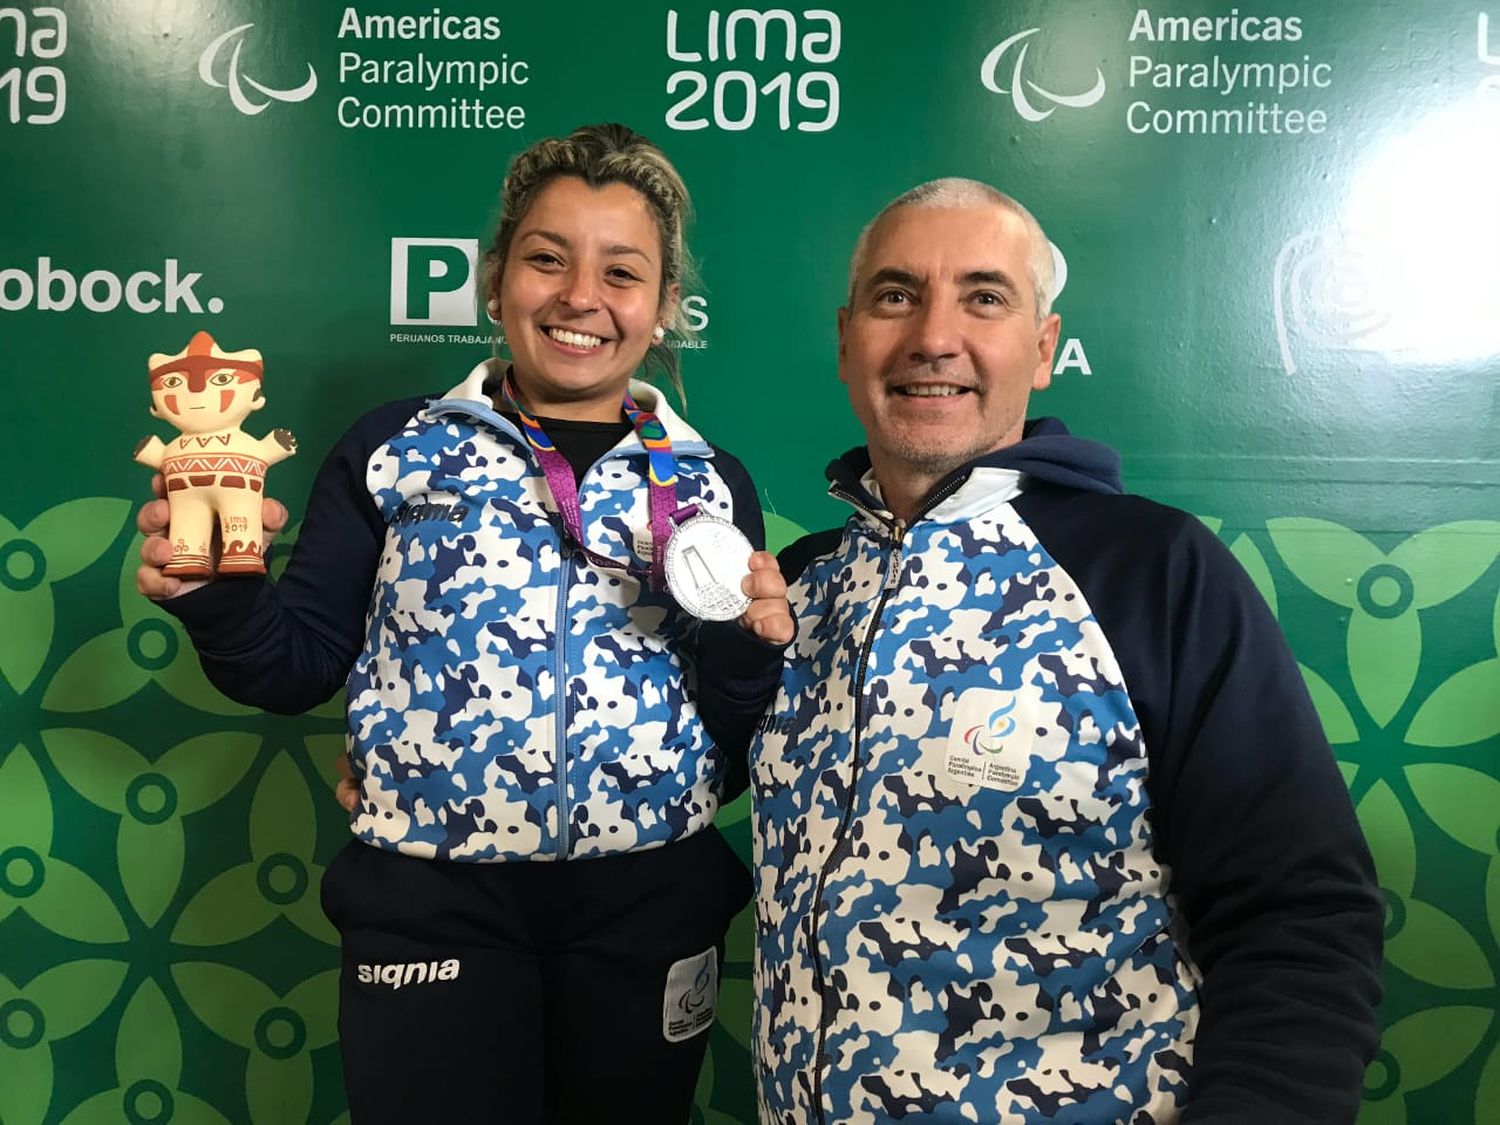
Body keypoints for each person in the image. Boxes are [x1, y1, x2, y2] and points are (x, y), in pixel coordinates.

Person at [136, 123, 791, 1124]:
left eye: (622, 273)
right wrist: (216, 596)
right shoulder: (394, 449)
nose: (581, 297)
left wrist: (752, 654)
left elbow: (730, 736)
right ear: (496, 281)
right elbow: (295, 666)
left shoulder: (707, 481)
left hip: (650, 908)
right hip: (428, 903)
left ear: (663, 309)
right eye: (546, 259)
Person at [747, 179, 1383, 1123]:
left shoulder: (1158, 573)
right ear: (848, 340)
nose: (933, 335)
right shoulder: (793, 588)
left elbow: (1301, 916)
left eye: (985, 296)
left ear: (1042, 349)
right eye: (896, 295)